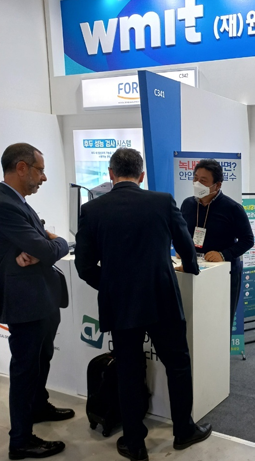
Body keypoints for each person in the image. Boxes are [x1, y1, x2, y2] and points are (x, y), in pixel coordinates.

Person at [74, 148, 211, 461]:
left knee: (128, 369)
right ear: (142, 175)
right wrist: (192, 268)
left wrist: (112, 286)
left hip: (121, 304)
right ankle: (183, 430)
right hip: (161, 297)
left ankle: (135, 443)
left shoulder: (92, 209)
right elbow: (185, 244)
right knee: (177, 364)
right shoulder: (162, 201)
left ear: (110, 174)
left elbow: (84, 266)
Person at [0, 143, 73, 460]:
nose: (44, 177)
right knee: (25, 369)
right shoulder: (4, 204)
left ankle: (38, 407)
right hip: (25, 302)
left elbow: (39, 243)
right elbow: (45, 247)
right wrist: (59, 242)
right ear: (21, 168)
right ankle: (21, 441)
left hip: (40, 297)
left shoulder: (17, 202)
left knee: (41, 359)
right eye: (40, 170)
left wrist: (43, 243)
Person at [180, 159, 254, 329]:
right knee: (195, 322)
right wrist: (182, 248)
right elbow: (180, 232)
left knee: (220, 323)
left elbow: (248, 240)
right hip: (193, 269)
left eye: (203, 180)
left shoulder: (232, 208)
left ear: (217, 185)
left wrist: (223, 255)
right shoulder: (187, 204)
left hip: (224, 273)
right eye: (195, 178)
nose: (197, 183)